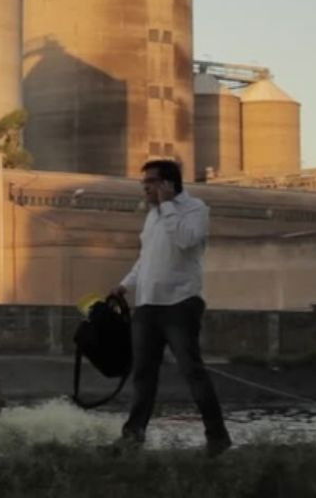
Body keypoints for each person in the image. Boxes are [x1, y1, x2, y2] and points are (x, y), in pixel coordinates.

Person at [109, 159, 231, 456]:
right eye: (144, 183)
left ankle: (217, 438)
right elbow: (146, 258)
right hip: (147, 305)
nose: (145, 188)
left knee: (192, 371)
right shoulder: (152, 215)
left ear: (168, 183)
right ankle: (132, 438)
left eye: (150, 182)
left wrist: (167, 206)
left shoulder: (195, 209)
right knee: (143, 375)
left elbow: (185, 241)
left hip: (180, 304)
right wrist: (124, 285)